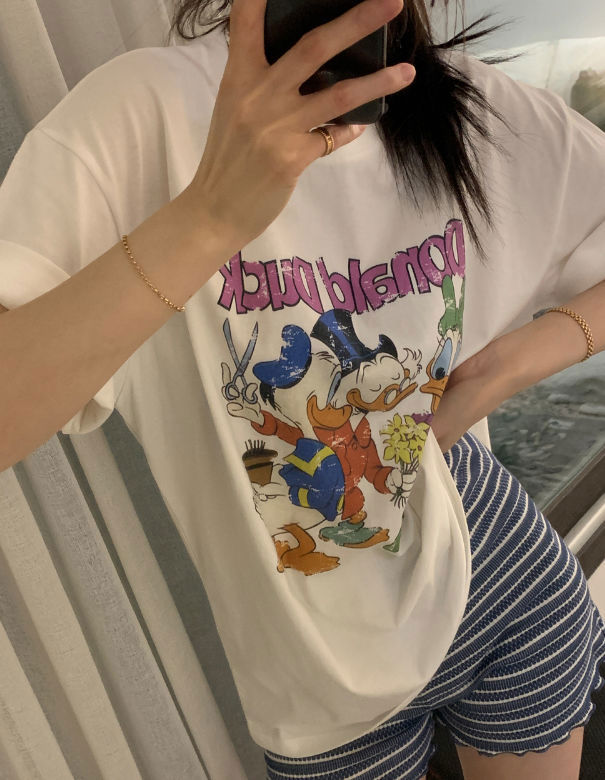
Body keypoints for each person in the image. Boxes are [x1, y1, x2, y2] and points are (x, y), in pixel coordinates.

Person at [0, 0, 604, 777]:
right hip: (311, 689)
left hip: (503, 591)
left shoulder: (473, 106)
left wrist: (507, 365)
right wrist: (210, 216)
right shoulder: (139, 113)